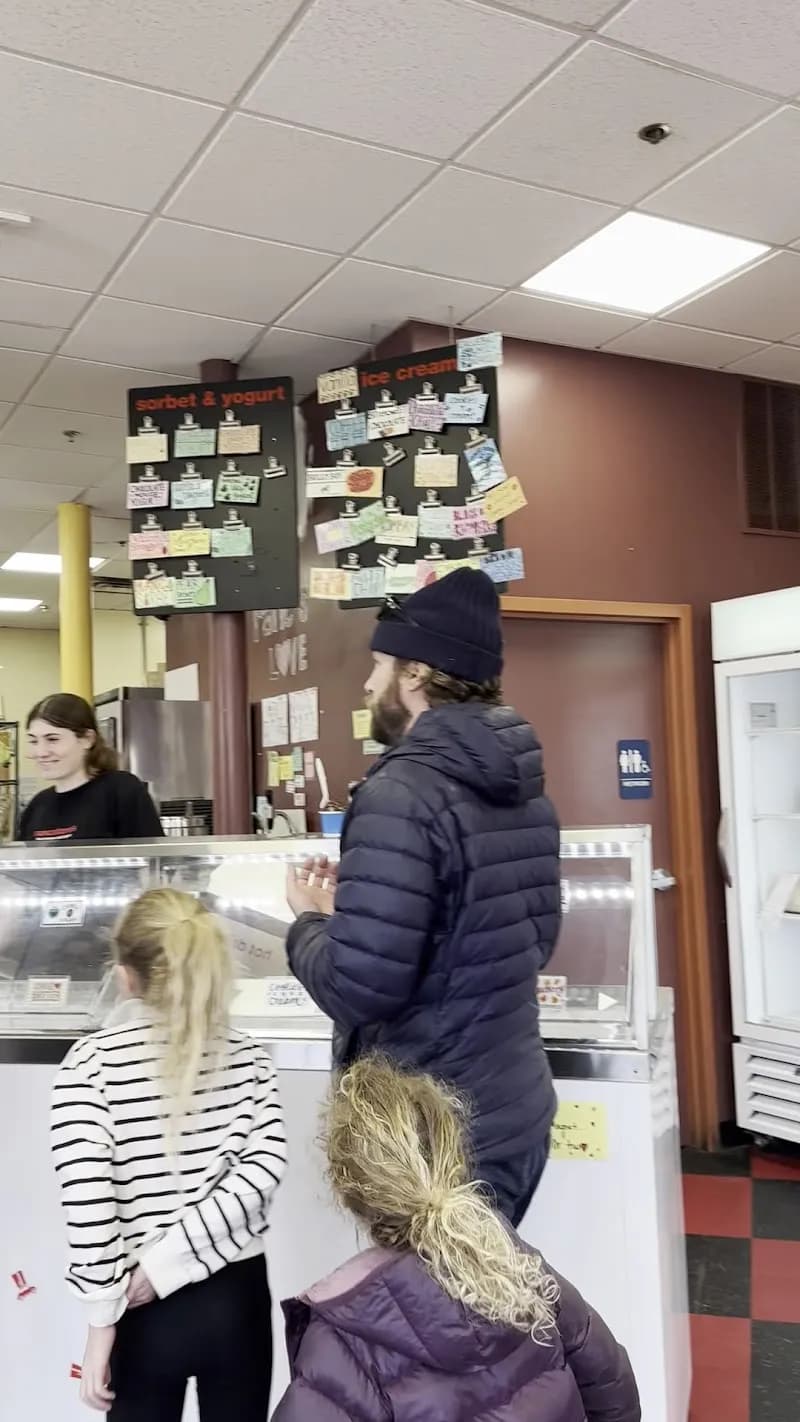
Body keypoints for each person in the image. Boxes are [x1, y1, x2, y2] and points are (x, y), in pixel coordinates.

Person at [286, 568, 561, 1225]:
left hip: (431, 1131)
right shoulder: (526, 788)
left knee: (431, 1323)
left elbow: (361, 987)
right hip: (514, 1111)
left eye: (380, 665)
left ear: (416, 672)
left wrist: (307, 925)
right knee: (486, 1306)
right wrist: (356, 920)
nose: (369, 683)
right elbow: (534, 942)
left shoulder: (400, 792)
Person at [273, 1058, 640, 1422]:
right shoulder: (518, 1266)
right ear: (455, 1156)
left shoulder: (340, 1344)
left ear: (346, 1189)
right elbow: (615, 1390)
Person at [51, 889, 286, 1418]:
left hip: (141, 1309)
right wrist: (171, 1263)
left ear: (126, 975)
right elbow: (263, 1170)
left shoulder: (89, 1065)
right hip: (237, 1299)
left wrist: (101, 1321)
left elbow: (89, 1206)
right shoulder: (249, 1056)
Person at [21, 693, 163, 842]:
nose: (41, 752)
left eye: (53, 739)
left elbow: (155, 859)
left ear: (87, 739)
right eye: (34, 741)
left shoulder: (121, 791)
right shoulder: (37, 806)